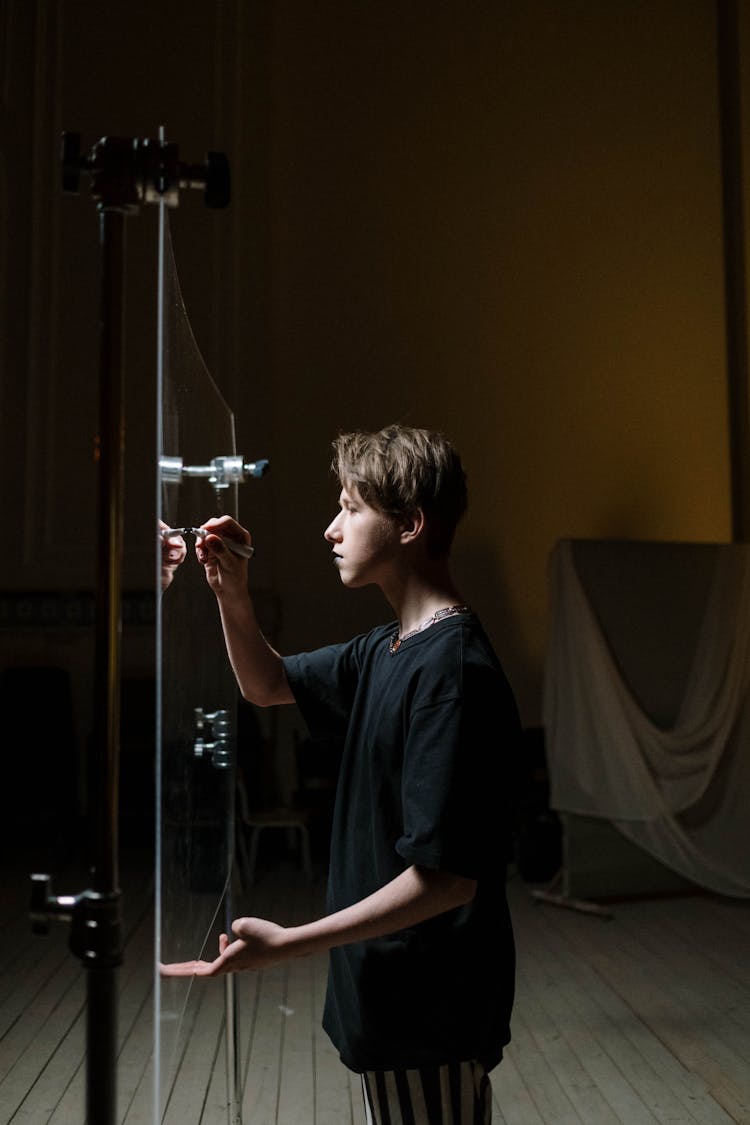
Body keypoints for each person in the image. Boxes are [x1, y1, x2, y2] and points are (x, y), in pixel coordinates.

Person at [161, 423, 521, 1124]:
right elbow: (266, 683)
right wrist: (230, 588)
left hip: (430, 1014)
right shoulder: (387, 647)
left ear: (411, 523)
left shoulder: (451, 670)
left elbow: (446, 878)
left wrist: (288, 943)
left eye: (352, 507)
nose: (331, 529)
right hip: (387, 1004)